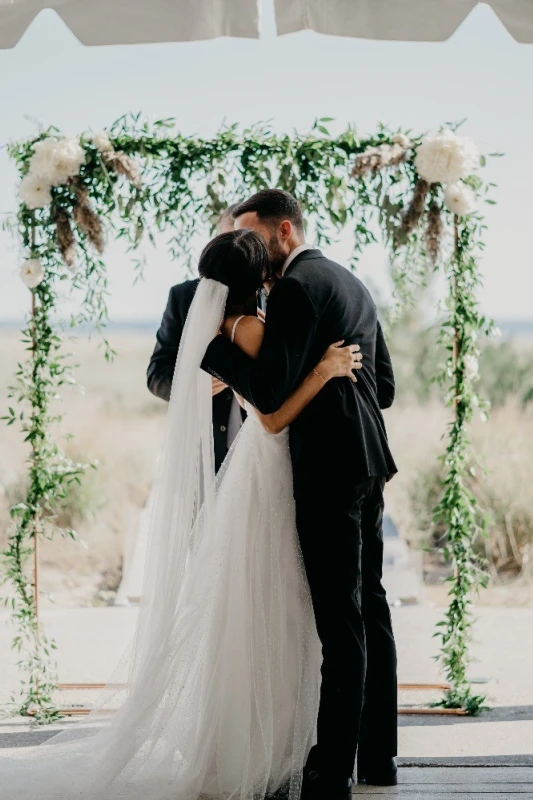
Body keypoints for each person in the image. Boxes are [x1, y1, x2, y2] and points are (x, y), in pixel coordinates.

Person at [0, 229, 361, 800]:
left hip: (250, 475)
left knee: (241, 610)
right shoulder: (250, 330)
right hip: (267, 470)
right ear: (257, 279)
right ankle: (269, 749)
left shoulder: (216, 331)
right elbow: (272, 416)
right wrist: (324, 368)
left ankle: (236, 744)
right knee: (275, 611)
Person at [202, 190, 398, 794]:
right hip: (369, 460)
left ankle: (332, 767)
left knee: (340, 621)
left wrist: (218, 347)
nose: (255, 252)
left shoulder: (295, 287)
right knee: (370, 604)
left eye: (257, 238)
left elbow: (266, 394)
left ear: (284, 230)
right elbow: (384, 387)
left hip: (328, 468)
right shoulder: (351, 282)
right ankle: (379, 756)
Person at [147, 205, 244, 472]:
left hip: (256, 450)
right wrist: (194, 384)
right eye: (228, 241)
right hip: (200, 453)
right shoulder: (183, 298)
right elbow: (156, 375)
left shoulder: (271, 296)